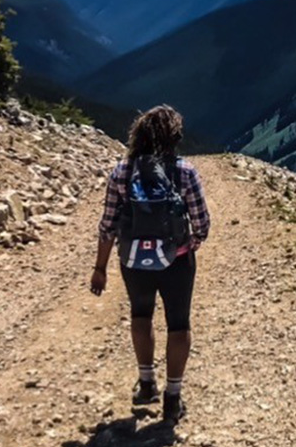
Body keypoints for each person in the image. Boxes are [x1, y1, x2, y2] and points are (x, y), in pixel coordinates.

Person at [90, 105, 210, 424]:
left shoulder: (121, 172)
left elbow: (108, 225)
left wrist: (100, 267)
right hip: (177, 261)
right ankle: (172, 398)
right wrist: (186, 246)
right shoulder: (185, 172)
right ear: (174, 136)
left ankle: (146, 385)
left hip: (133, 261)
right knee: (179, 324)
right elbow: (202, 224)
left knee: (140, 315)